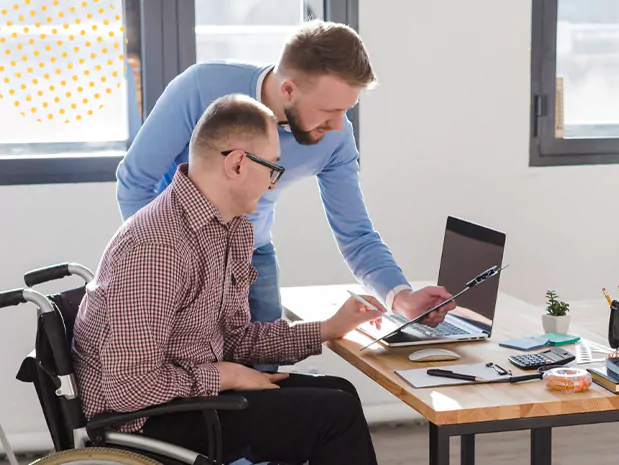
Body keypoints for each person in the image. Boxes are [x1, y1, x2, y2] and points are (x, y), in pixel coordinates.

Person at [73, 94, 383, 465]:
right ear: (237, 164)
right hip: (143, 423)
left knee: (340, 393)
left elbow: (236, 337)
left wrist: (328, 328)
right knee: (334, 416)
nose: (272, 184)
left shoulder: (231, 228)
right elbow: (130, 389)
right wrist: (222, 376)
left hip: (187, 396)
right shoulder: (156, 246)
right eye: (272, 168)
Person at [116, 19, 454, 331]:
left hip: (253, 254)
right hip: (180, 254)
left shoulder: (335, 136)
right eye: (329, 110)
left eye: (346, 111)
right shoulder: (202, 86)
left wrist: (400, 297)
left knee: (265, 376)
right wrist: (166, 263)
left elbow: (356, 233)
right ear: (288, 90)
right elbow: (136, 180)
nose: (338, 125)